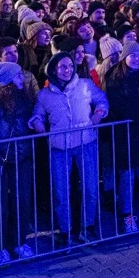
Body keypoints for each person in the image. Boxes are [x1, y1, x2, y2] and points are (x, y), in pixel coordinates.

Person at [29, 53, 108, 246]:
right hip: (59, 147)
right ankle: (65, 230)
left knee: (90, 187)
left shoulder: (85, 85)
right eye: (63, 67)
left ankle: (87, 226)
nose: (67, 70)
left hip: (86, 142)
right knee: (61, 191)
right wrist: (38, 123)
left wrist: (98, 114)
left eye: (70, 66)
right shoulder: (45, 94)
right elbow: (37, 114)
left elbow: (101, 99)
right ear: (53, 69)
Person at [0, 61, 37, 264]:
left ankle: (19, 241)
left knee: (22, 201)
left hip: (22, 156)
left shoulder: (26, 99)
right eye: (18, 76)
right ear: (7, 81)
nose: (22, 78)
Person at [103, 43, 139, 232]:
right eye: (133, 55)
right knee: (127, 176)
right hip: (125, 132)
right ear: (124, 57)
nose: (137, 58)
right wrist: (138, 114)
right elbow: (117, 104)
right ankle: (127, 214)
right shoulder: (114, 77)